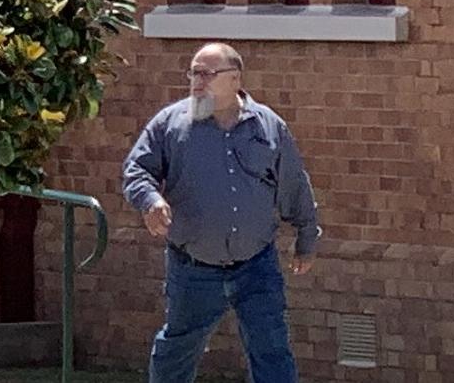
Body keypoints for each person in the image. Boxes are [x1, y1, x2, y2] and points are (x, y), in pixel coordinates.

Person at [122, 42, 321, 383]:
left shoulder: (268, 126)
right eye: (194, 73)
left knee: (272, 350)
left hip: (256, 264)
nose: (197, 82)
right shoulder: (171, 124)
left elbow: (293, 184)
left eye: (207, 74)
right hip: (193, 266)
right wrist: (150, 200)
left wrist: (306, 237)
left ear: (234, 79)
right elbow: (137, 170)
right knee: (177, 350)